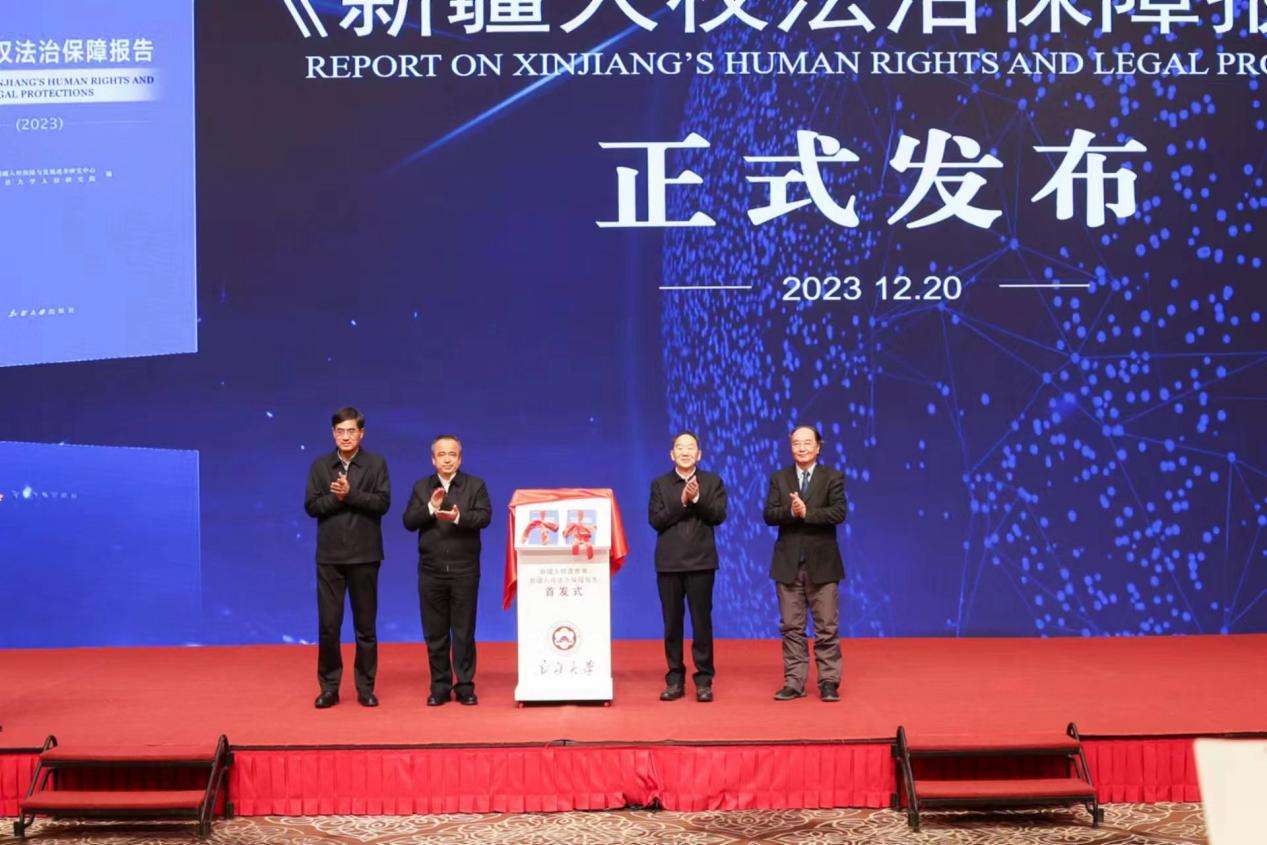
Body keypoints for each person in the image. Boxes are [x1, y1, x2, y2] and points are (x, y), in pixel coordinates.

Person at [303, 407, 391, 709]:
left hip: (365, 555)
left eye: (351, 431)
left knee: (365, 627)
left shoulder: (376, 463)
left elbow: (382, 504)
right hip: (329, 557)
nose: (345, 436)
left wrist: (350, 495)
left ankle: (365, 688)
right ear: (333, 434)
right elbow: (311, 507)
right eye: (340, 431)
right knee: (329, 626)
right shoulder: (320, 466)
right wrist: (337, 498)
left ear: (361, 434)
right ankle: (329, 687)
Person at [402, 435, 491, 706]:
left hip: (465, 571)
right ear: (433, 459)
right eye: (442, 454)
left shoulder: (475, 485)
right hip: (431, 572)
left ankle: (464, 686)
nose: (447, 459)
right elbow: (408, 521)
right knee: (436, 633)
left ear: (460, 459)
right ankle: (440, 687)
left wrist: (458, 517)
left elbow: (484, 517)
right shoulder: (421, 487)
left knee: (463, 632)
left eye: (452, 454)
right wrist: (431, 507)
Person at [762, 425, 847, 702]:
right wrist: (791, 511)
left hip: (823, 564)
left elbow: (838, 513)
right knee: (791, 627)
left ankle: (829, 681)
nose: (801, 447)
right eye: (796, 443)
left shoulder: (832, 477)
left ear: (818, 447)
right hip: (788, 563)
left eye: (807, 443)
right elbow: (769, 514)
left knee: (827, 628)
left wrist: (807, 512)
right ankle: (794, 682)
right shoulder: (780, 478)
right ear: (791, 447)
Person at [648, 432, 728, 702]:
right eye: (680, 448)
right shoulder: (660, 484)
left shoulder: (713, 481)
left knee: (701, 622)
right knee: (672, 623)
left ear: (699, 454)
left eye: (690, 447)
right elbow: (656, 521)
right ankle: (675, 679)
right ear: (672, 454)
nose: (685, 452)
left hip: (701, 562)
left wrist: (696, 499)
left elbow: (718, 515)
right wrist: (682, 501)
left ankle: (704, 680)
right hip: (669, 564)